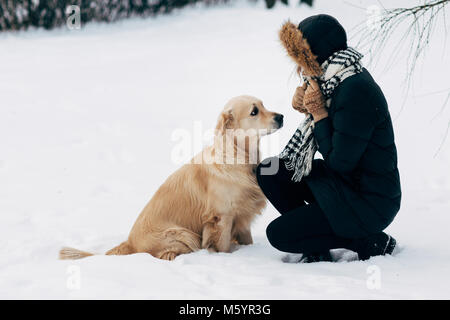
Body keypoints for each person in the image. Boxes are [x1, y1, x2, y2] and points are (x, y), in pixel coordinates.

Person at [256, 14, 401, 262]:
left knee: (278, 234)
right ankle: (316, 241)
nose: (300, 69)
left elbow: (340, 161)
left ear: (318, 57)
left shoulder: (356, 91)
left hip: (369, 201)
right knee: (270, 171)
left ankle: (364, 239)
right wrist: (305, 103)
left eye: (303, 61)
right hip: (346, 183)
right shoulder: (336, 78)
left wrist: (319, 113)